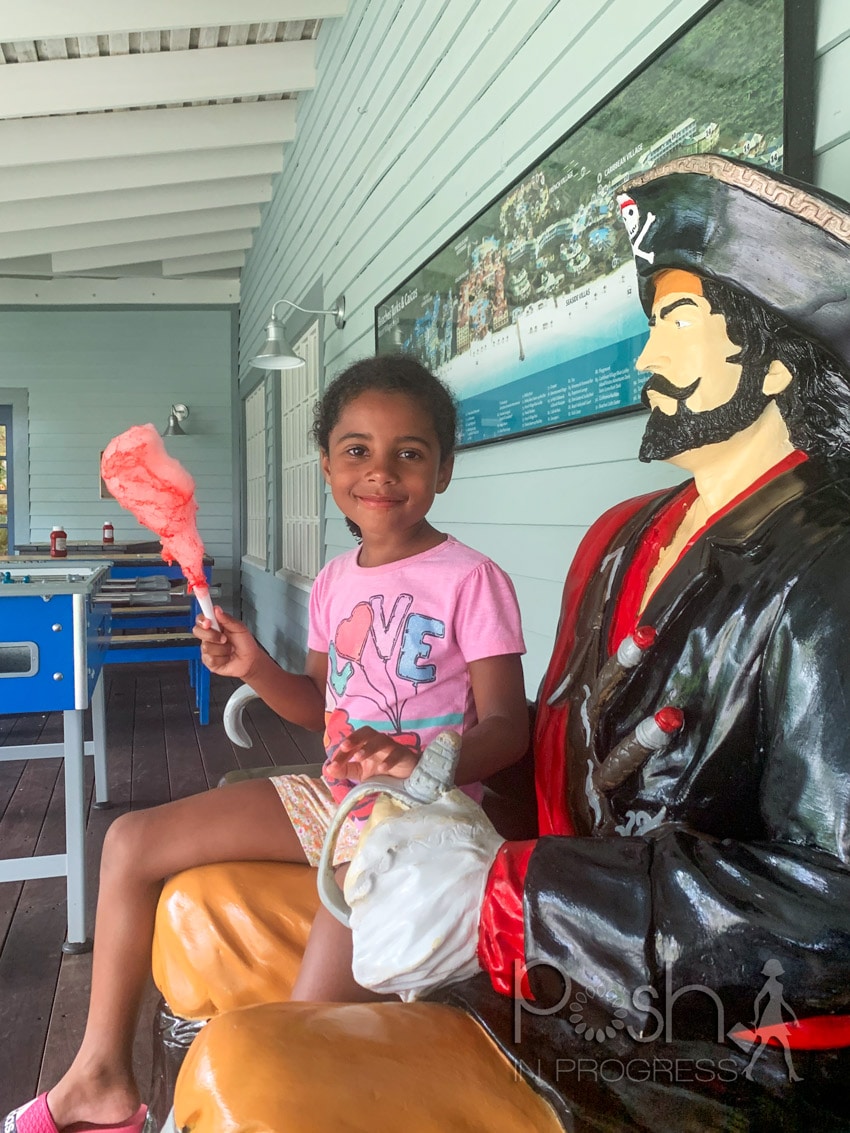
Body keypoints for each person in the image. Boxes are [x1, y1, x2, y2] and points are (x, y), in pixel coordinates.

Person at [157, 155, 850, 1132]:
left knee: (253, 1075)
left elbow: (830, 908)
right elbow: (561, 750)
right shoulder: (625, 536)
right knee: (201, 917)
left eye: (678, 325)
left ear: (776, 359)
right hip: (533, 938)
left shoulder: (829, 563)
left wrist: (514, 895)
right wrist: (429, 782)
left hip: (686, 1048)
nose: (644, 362)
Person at [2, 355, 529, 1133]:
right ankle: (101, 1076)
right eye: (357, 449)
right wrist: (252, 665)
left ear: (444, 468)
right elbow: (319, 706)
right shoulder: (335, 581)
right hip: (333, 802)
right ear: (326, 464)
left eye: (409, 452)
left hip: (412, 829)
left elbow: (509, 728)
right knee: (128, 840)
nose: (380, 472)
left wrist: (425, 763)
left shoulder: (472, 579)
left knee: (294, 1040)